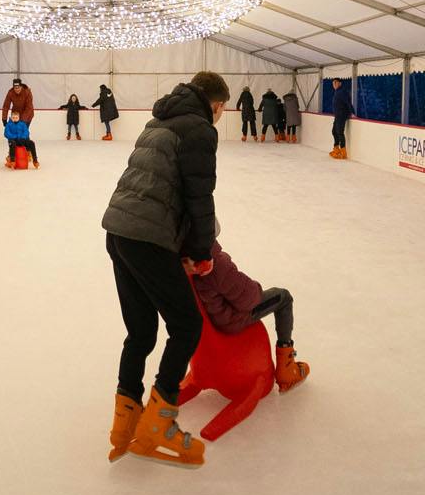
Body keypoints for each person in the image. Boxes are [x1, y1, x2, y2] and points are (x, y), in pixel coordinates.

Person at [101, 71, 229, 469]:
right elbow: (198, 197)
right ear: (216, 105)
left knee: (141, 332)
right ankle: (159, 423)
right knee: (186, 325)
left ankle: (124, 424)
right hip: (147, 237)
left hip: (118, 231)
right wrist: (200, 252)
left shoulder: (159, 120)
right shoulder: (200, 129)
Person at [187, 240, 309, 392]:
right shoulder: (214, 265)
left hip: (215, 317)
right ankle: (287, 367)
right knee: (283, 298)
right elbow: (248, 298)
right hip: (233, 318)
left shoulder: (187, 262)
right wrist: (256, 288)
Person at [1, 77, 34, 165]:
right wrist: (4, 118)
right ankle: (12, 153)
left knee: (24, 132)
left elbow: (29, 107)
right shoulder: (10, 92)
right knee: (12, 133)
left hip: (27, 115)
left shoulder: (27, 92)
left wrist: (22, 121)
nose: (17, 90)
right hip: (15, 115)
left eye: (18, 87)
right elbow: (6, 106)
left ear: (21, 86)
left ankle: (28, 152)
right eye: (15, 88)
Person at [329, 77, 353, 159]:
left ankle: (343, 152)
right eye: (333, 83)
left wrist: (352, 112)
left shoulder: (342, 91)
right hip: (337, 115)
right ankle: (336, 149)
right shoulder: (337, 92)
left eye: (335, 83)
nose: (334, 84)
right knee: (334, 131)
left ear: (340, 83)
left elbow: (348, 102)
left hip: (342, 115)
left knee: (340, 132)